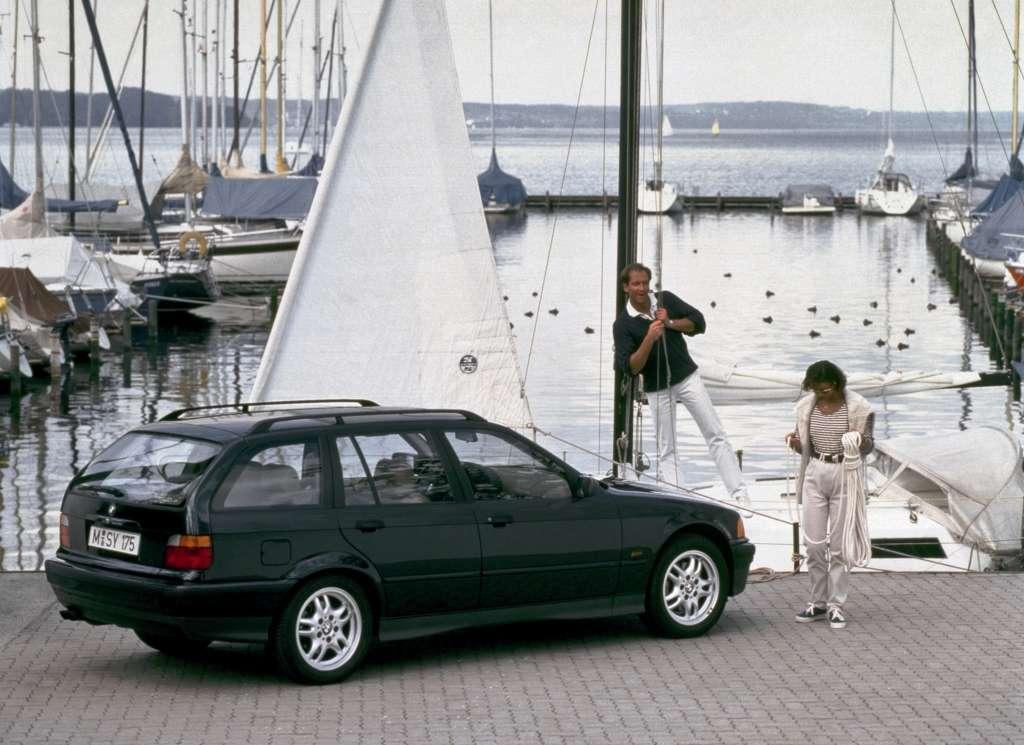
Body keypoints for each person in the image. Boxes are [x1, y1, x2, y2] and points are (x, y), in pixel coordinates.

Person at [612, 262, 748, 503]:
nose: (641, 288)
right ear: (626, 287)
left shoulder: (665, 300)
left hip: (687, 377)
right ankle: (680, 499)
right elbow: (631, 367)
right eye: (636, 284)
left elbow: (699, 322)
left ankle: (739, 494)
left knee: (715, 433)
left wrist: (670, 323)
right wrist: (649, 338)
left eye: (645, 283)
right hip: (657, 388)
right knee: (667, 448)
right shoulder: (623, 324)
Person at [785, 360, 874, 630]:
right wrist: (796, 443)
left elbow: (869, 446)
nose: (821, 395)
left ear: (837, 384)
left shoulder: (858, 407)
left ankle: (836, 605)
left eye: (825, 390)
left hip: (845, 473)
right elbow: (806, 447)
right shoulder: (806, 408)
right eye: (816, 390)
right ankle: (818, 602)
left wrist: (858, 440)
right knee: (813, 545)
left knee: (839, 546)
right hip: (816, 470)